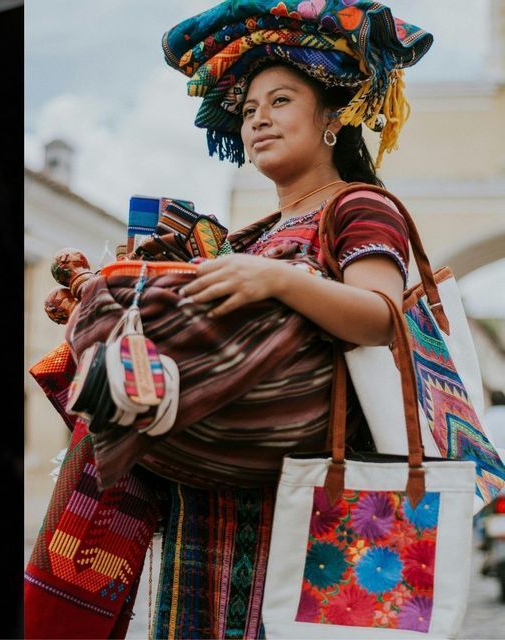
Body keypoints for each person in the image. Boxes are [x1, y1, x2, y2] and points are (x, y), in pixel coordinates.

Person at [143, 2, 434, 637]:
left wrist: (278, 279)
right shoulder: (246, 237)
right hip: (210, 505)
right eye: (248, 109)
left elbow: (380, 317)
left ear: (332, 116)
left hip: (308, 501)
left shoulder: (359, 207)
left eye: (280, 101)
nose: (258, 119)